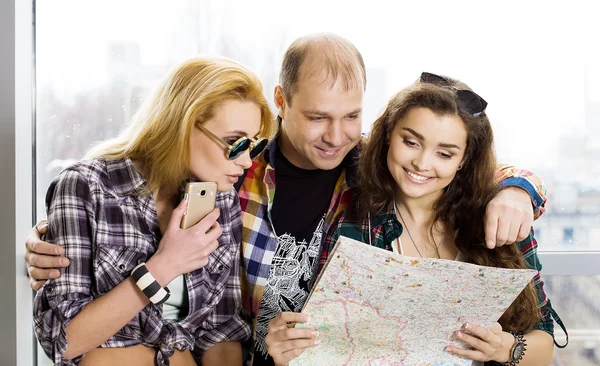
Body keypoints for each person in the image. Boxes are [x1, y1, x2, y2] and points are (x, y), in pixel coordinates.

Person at [25, 33, 550, 366]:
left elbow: (451, 167)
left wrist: (518, 188)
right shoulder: (236, 170)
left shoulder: (371, 168)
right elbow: (152, 164)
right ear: (282, 102)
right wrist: (57, 238)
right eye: (318, 117)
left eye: (351, 117)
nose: (335, 135)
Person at [305, 72, 566, 366]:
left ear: (464, 159)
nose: (422, 163)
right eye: (411, 142)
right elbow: (323, 341)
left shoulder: (500, 221)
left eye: (444, 153)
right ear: (390, 133)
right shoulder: (352, 221)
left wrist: (504, 348)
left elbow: (544, 347)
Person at [32, 56, 277, 365]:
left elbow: (221, 333)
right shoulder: (86, 187)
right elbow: (63, 339)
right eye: (235, 143)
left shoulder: (219, 202)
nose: (246, 162)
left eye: (253, 146)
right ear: (183, 125)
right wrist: (164, 266)